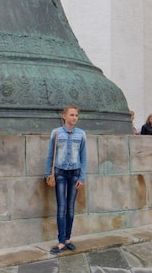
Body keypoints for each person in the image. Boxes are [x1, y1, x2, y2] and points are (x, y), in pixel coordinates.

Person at [45, 105, 86, 254]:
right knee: (61, 207)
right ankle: (61, 241)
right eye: (72, 115)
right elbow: (50, 155)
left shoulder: (81, 134)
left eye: (76, 115)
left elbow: (83, 157)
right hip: (60, 173)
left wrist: (82, 177)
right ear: (64, 116)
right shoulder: (56, 133)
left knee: (70, 208)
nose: (74, 118)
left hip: (75, 173)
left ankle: (68, 239)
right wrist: (48, 174)